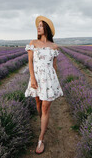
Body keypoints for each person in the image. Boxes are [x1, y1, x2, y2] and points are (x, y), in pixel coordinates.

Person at [24, 15, 64, 154]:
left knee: (45, 108)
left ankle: (40, 139)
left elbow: (54, 66)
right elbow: (30, 62)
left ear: (46, 28)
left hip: (49, 80)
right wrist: (32, 79)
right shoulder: (33, 43)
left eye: (41, 25)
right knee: (38, 104)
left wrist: (54, 83)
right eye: (38, 26)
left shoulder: (54, 46)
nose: (38, 27)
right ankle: (43, 123)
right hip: (37, 79)